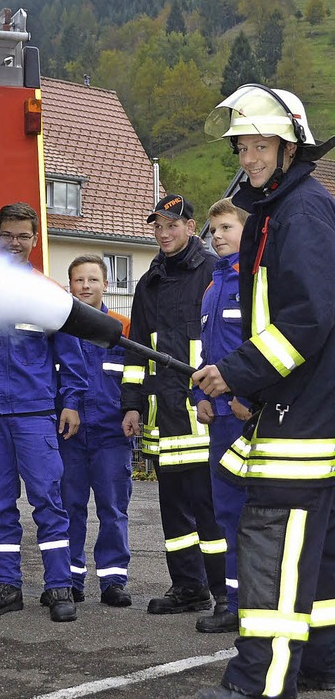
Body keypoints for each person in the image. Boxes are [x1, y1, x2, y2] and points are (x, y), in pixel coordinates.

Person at [193, 85, 335, 698]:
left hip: (302, 423)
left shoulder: (300, 213)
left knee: (272, 550)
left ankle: (256, 685)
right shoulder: (284, 210)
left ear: (288, 147)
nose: (246, 159)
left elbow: (309, 315)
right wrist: (254, 384)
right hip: (300, 408)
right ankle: (322, 664)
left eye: (258, 146)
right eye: (242, 147)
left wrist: (241, 373)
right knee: (318, 558)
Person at [0, 202, 88, 623]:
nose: (14, 242)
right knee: (0, 505)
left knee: (48, 501)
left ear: (35, 240)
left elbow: (72, 358)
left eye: (23, 235)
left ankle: (58, 587)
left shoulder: (46, 295)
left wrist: (72, 404)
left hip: (35, 416)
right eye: (7, 234)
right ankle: (6, 587)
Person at [121, 194, 228, 618]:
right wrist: (130, 404)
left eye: (171, 225)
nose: (163, 233)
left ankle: (225, 594)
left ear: (190, 226)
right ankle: (188, 587)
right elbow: (135, 353)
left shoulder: (213, 271)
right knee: (173, 509)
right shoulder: (148, 283)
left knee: (210, 508)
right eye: (158, 226)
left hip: (203, 409)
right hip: (161, 413)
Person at [52, 254, 134, 607]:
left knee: (113, 509)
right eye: (79, 280)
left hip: (112, 434)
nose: (85, 286)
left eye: (93, 280)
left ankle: (113, 581)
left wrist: (133, 410)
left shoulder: (122, 327)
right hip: (68, 435)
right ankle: (70, 579)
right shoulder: (57, 326)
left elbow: (136, 377)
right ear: (69, 285)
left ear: (106, 285)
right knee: (69, 507)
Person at [192, 198, 251, 634]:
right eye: (214, 230)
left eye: (228, 227)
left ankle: (252, 603)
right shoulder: (213, 287)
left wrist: (249, 395)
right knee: (227, 511)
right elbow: (206, 354)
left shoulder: (253, 282)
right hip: (221, 417)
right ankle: (233, 603)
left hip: (249, 415)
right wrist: (200, 396)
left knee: (256, 514)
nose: (219, 236)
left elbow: (261, 346)